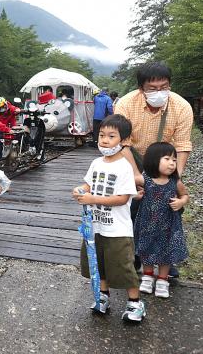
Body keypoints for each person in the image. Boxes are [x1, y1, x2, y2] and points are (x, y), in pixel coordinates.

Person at [115, 62, 193, 278]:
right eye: (152, 88)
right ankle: (136, 255)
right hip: (133, 157)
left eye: (164, 86)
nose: (159, 92)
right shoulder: (126, 104)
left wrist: (174, 178)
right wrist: (136, 175)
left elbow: (183, 145)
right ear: (141, 88)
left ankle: (166, 259)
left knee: (169, 210)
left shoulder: (182, 106)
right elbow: (122, 143)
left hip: (165, 161)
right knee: (133, 208)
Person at [72, 114, 145, 323]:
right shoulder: (96, 163)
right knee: (99, 264)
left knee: (123, 268)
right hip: (96, 226)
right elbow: (87, 185)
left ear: (124, 141)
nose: (104, 140)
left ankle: (135, 303)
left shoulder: (124, 167)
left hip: (118, 230)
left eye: (111, 136)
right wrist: (79, 190)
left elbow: (122, 199)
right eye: (102, 135)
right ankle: (103, 297)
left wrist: (91, 197)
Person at [134, 142, 189, 298]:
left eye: (174, 159)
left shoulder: (175, 182)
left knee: (166, 252)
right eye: (167, 159)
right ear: (153, 160)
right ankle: (148, 276)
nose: (172, 163)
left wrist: (181, 202)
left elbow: (185, 195)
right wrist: (135, 193)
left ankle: (162, 280)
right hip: (147, 224)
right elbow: (128, 182)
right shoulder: (145, 179)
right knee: (146, 249)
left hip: (168, 225)